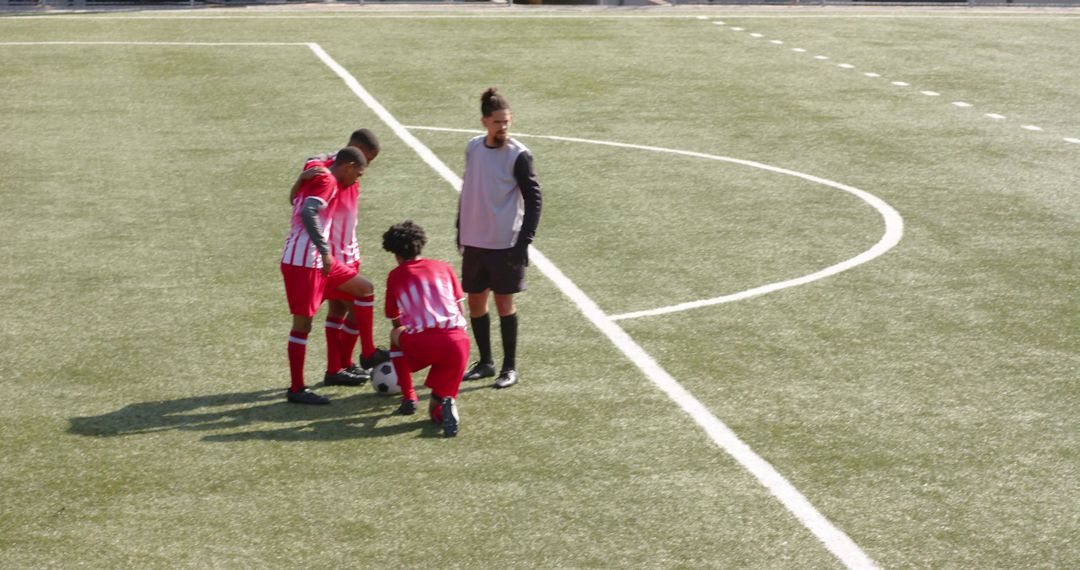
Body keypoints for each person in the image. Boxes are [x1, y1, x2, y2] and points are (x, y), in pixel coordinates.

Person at [457, 87, 542, 389]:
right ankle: (486, 362)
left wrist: (524, 241)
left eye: (507, 121)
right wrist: (460, 227)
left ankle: (509, 367)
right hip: (475, 241)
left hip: (505, 243)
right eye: (497, 122)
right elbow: (470, 188)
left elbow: (534, 199)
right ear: (484, 122)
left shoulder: (519, 155)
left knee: (505, 303)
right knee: (476, 302)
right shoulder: (473, 148)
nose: (503, 127)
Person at [289, 129, 388, 387]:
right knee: (349, 305)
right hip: (327, 255)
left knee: (347, 311)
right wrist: (301, 178)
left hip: (348, 250)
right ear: (355, 152)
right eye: (369, 158)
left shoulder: (347, 170)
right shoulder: (326, 169)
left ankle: (341, 365)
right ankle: (342, 364)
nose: (368, 167)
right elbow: (306, 198)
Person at [280, 146, 373, 405]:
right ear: (349, 167)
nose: (356, 181)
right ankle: (296, 388)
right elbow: (307, 211)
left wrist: (300, 178)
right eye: (358, 175)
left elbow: (293, 199)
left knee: (365, 289)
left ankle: (367, 352)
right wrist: (324, 250)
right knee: (302, 326)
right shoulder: (329, 181)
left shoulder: (317, 174)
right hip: (306, 263)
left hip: (314, 262)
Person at [381, 221, 470, 437]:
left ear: (395, 253)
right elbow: (461, 308)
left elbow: (394, 317)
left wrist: (405, 331)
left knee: (395, 336)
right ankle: (445, 409)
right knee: (435, 410)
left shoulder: (395, 275)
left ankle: (409, 396)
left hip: (425, 342)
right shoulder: (444, 267)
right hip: (458, 342)